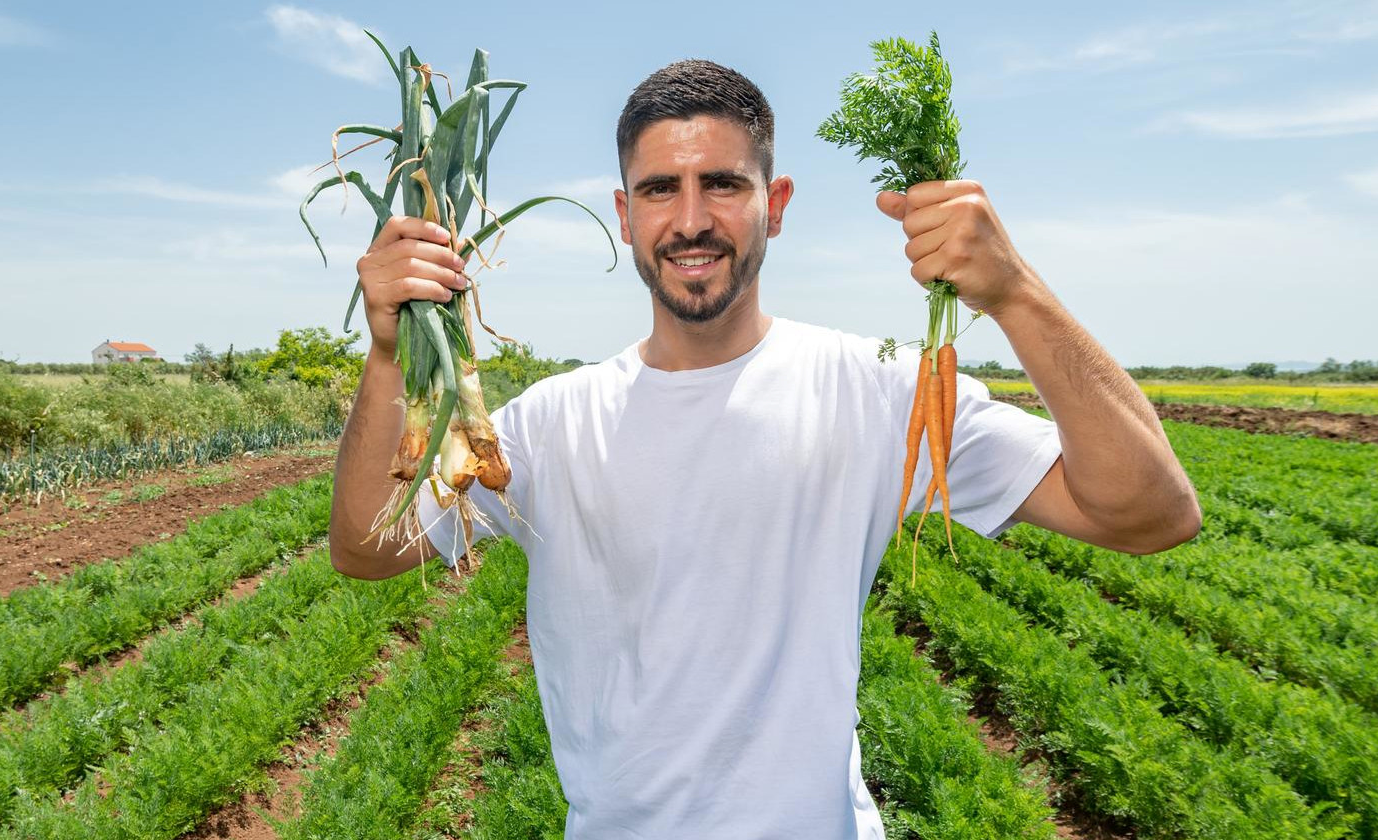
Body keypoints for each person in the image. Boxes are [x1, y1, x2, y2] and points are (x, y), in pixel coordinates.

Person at [329, 59, 1200, 839]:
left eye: (725, 185)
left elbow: (1149, 512)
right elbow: (368, 549)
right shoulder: (549, 427)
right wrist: (384, 351)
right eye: (662, 190)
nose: (693, 219)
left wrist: (1016, 294)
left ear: (774, 206)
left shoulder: (876, 390)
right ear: (626, 216)